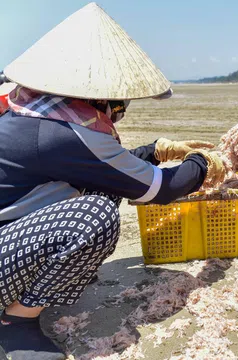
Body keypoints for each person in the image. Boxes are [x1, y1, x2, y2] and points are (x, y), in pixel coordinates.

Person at [0, 3, 224, 360]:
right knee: (95, 215)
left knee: (106, 189)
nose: (116, 115)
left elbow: (102, 170)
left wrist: (155, 151)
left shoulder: (32, 109)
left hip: (9, 235)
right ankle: (17, 323)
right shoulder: (66, 133)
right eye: (118, 107)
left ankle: (41, 286)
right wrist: (203, 163)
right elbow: (160, 190)